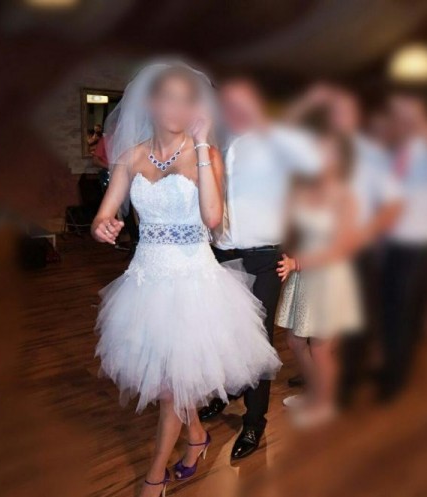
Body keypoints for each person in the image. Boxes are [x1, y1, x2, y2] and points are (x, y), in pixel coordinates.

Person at [91, 62, 281, 497]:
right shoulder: (130, 157)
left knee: (171, 390)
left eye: (186, 99)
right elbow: (104, 214)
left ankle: (153, 477)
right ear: (151, 103)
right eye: (168, 98)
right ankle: (196, 436)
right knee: (169, 381)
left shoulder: (206, 154)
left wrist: (200, 144)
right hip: (145, 284)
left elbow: (212, 219)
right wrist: (103, 226)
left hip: (193, 284)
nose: (177, 107)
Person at [196, 78, 322, 459]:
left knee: (258, 340)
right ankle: (227, 393)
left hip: (264, 256)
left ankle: (254, 420)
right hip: (220, 254)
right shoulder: (212, 143)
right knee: (224, 335)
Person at [275, 118, 362, 427]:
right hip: (305, 276)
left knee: (321, 347)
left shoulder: (345, 196)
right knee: (296, 341)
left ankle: (326, 403)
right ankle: (318, 392)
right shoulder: (306, 188)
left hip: (328, 277)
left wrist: (297, 263)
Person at [379, 93, 427, 399]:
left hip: (417, 242)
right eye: (396, 116)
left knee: (402, 309)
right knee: (391, 307)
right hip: (394, 240)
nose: (399, 121)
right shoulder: (400, 149)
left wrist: (421, 121)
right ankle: (393, 364)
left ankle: (396, 375)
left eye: (404, 116)